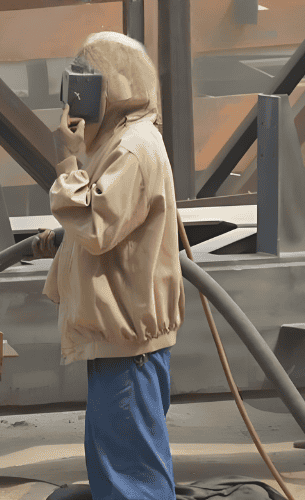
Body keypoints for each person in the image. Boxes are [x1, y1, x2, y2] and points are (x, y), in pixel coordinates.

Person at [34, 31, 185, 499]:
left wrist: (65, 159)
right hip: (115, 343)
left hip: (128, 349)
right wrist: (62, 240)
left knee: (131, 482)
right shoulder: (119, 140)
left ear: (114, 87)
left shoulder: (134, 149)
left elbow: (99, 227)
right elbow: (113, 227)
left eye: (85, 83)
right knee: (118, 472)